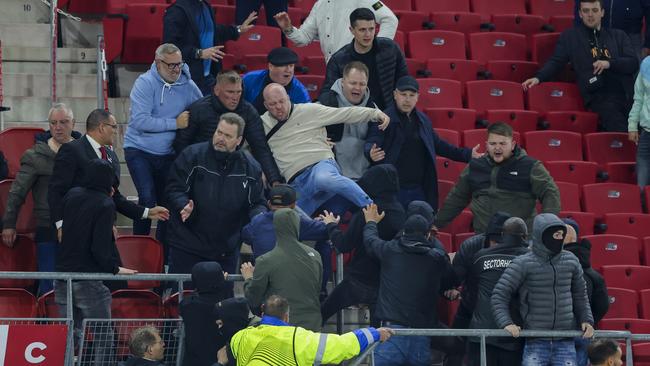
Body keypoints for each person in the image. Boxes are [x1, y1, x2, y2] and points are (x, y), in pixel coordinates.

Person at [166, 113, 266, 296]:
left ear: (239, 140)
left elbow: (257, 203)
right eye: (219, 132)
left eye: (227, 136)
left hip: (225, 250)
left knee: (222, 307)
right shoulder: (192, 155)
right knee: (183, 301)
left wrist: (258, 218)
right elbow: (175, 187)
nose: (220, 138)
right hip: (187, 244)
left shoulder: (250, 167)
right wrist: (183, 204)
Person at [54, 159, 138, 365]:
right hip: (88, 280)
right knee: (104, 338)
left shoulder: (71, 195)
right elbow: (99, 248)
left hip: (63, 277)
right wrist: (115, 268)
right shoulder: (105, 204)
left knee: (68, 336)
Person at [261, 83, 389, 215]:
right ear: (265, 105)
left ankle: (372, 208)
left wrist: (375, 113)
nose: (279, 107)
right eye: (273, 104)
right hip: (295, 184)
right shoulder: (262, 124)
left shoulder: (309, 110)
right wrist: (261, 171)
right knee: (288, 218)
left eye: (282, 101)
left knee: (323, 179)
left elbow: (345, 113)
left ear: (288, 97)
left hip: (320, 166)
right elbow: (243, 144)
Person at [48, 109, 169, 243]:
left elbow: (114, 196)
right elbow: (56, 191)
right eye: (113, 126)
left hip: (104, 230)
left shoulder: (111, 156)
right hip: (77, 229)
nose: (116, 131)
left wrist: (147, 212)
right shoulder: (72, 150)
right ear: (102, 127)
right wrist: (61, 225)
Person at [124, 43, 202, 248]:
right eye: (171, 66)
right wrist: (174, 124)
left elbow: (203, 108)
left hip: (168, 153)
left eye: (179, 64)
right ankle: (139, 245)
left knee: (168, 203)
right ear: (158, 63)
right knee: (147, 198)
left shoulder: (188, 85)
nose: (177, 70)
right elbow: (140, 121)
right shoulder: (144, 83)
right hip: (139, 149)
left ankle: (162, 251)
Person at [492, 213, 595, 366]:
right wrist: (506, 323)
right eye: (555, 234)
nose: (559, 238)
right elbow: (499, 295)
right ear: (542, 235)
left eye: (561, 234)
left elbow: (580, 295)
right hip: (536, 340)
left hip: (565, 341)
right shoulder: (523, 263)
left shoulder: (572, 261)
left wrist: (586, 319)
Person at [362, 204, 459, 366]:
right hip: (420, 334)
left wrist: (371, 222)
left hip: (390, 332)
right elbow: (452, 280)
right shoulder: (437, 258)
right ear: (428, 235)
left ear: (404, 231)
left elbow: (370, 240)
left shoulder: (389, 250)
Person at [522, 0, 639, 132]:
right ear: (580, 13)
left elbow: (633, 63)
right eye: (586, 11)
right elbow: (556, 61)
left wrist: (609, 63)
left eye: (594, 10)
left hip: (628, 95)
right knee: (621, 125)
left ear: (602, 12)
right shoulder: (570, 37)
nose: (590, 15)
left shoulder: (619, 36)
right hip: (598, 97)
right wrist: (538, 78)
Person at [366, 75, 481, 209]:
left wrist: (467, 154)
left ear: (417, 97)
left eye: (411, 95)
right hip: (392, 191)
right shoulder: (383, 118)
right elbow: (372, 140)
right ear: (395, 95)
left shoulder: (423, 120)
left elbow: (439, 145)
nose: (407, 99)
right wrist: (370, 152)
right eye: (403, 94)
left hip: (419, 189)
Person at [2, 103, 80, 295]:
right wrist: (9, 224)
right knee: (49, 286)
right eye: (53, 123)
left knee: (81, 286)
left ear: (74, 124)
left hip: (80, 226)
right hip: (47, 226)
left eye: (64, 122)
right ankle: (47, 324)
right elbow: (17, 192)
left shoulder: (85, 152)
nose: (58, 127)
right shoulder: (35, 156)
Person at [435, 122, 561, 233]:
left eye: (502, 143)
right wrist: (436, 224)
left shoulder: (531, 166)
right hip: (484, 239)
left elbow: (550, 192)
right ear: (487, 145)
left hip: (521, 241)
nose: (497, 148)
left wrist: (546, 226)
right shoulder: (475, 166)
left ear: (512, 145)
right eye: (493, 143)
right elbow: (457, 198)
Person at [319, 164, 405, 324]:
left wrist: (331, 225)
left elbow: (343, 245)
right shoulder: (401, 213)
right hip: (385, 285)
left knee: (320, 315)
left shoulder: (366, 212)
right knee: (377, 336)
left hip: (358, 280)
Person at [173, 70, 282, 185]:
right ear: (217, 90)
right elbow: (181, 145)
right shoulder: (198, 109)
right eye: (230, 92)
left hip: (233, 167)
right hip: (200, 166)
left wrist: (274, 180)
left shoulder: (249, 112)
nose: (235, 97)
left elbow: (261, 148)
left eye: (238, 92)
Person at [230, 295, 394, 365]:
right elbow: (342, 345)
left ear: (263, 311)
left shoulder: (240, 337)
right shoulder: (298, 338)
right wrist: (374, 333)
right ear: (287, 317)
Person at [240, 184, 330, 298]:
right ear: (293, 206)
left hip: (263, 287)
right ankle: (321, 293)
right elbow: (325, 232)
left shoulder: (257, 221)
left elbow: (246, 236)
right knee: (326, 243)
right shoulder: (297, 221)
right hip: (289, 287)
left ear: (268, 204)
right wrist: (329, 222)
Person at [241, 208, 323, 331]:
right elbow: (317, 289)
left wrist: (248, 279)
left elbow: (253, 299)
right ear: (298, 225)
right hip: (312, 327)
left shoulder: (266, 260)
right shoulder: (315, 255)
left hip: (282, 329)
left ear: (275, 226)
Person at [466, 217, 530, 366]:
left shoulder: (481, 256)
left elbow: (469, 293)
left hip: (481, 334)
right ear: (525, 237)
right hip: (513, 335)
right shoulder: (529, 259)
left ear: (503, 234)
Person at [163, 0, 258, 95]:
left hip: (208, 77)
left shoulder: (206, 6)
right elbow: (169, 48)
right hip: (186, 80)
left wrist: (238, 30)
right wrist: (198, 53)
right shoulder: (177, 10)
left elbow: (212, 31)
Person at [320, 8, 407, 110]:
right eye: (362, 30)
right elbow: (327, 94)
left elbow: (404, 80)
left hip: (389, 113)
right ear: (351, 30)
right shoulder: (338, 60)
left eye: (371, 29)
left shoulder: (390, 48)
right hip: (356, 116)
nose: (368, 34)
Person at [448, 212, 512, 334]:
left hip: (505, 309)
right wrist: (452, 287)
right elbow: (456, 275)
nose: (498, 246)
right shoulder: (471, 246)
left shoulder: (516, 250)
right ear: (487, 237)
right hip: (470, 304)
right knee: (456, 346)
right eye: (495, 242)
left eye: (502, 242)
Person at [274, 0, 398, 61]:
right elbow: (304, 38)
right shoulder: (319, 5)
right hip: (332, 72)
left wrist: (376, 50)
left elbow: (390, 19)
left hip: (359, 69)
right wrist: (288, 28)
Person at [319, 61, 378, 180]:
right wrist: (318, 140)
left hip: (364, 178)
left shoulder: (374, 111)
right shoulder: (324, 104)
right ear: (342, 82)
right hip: (331, 177)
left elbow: (377, 139)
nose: (357, 88)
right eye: (353, 83)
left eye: (362, 84)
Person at [563, 219, 610, 366]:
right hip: (583, 333)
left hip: (555, 333)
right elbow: (602, 305)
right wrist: (588, 322)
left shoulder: (551, 268)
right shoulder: (593, 275)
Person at [180, 262, 229, 366]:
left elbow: (191, 298)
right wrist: (221, 284)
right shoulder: (229, 306)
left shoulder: (188, 305)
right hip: (220, 361)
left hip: (194, 361)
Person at [242, 47, 310, 114]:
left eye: (291, 66)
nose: (288, 70)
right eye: (284, 65)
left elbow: (307, 116)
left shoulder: (300, 91)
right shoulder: (249, 79)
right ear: (271, 66)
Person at [573, 0, 650, 58]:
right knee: (596, 74)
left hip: (631, 37)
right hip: (597, 35)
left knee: (633, 74)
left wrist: (648, 44)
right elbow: (579, 8)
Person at [628, 56, 650, 187]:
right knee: (642, 184)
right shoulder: (647, 64)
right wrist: (632, 126)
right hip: (647, 132)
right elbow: (639, 98)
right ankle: (642, 202)